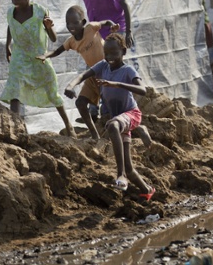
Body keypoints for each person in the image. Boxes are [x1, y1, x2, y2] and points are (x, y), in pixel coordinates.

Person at [64, 33, 155, 201]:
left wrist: (116, 84)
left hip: (130, 114)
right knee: (130, 167)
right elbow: (83, 75)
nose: (110, 57)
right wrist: (70, 86)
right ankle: (147, 189)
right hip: (119, 118)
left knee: (112, 125)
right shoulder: (103, 66)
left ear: (123, 52)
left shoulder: (128, 70)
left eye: (114, 53)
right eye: (107, 53)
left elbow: (143, 89)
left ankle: (120, 175)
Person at [0, 0, 75, 138]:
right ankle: (17, 129)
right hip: (19, 57)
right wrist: (7, 45)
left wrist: (48, 27)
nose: (15, 2)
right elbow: (10, 25)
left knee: (52, 90)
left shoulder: (40, 12)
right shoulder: (10, 12)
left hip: (39, 56)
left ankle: (69, 125)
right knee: (15, 90)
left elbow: (54, 39)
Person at [36, 5, 119, 139]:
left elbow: (105, 22)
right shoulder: (72, 41)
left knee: (107, 107)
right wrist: (46, 55)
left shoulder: (91, 27)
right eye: (68, 23)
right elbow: (58, 51)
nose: (71, 26)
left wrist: (113, 25)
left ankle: (112, 132)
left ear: (83, 22)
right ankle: (94, 135)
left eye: (75, 22)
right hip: (93, 74)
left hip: (107, 70)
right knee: (80, 103)